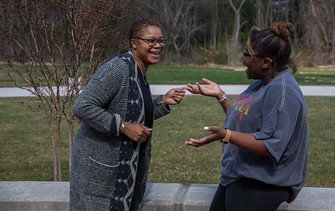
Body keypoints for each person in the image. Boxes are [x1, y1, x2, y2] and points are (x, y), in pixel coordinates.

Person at [185, 22, 308, 211]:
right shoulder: (262, 83)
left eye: (247, 55)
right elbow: (245, 118)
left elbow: (270, 145)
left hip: (264, 184)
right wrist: (220, 95)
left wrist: (226, 135)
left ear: (266, 63)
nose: (243, 59)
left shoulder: (282, 93)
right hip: (241, 175)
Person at [70, 18, 185, 211]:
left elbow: (133, 113)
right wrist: (122, 127)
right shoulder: (118, 69)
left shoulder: (138, 70)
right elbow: (82, 106)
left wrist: (162, 102)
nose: (157, 46)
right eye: (151, 41)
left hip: (120, 175)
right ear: (134, 43)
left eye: (161, 40)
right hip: (99, 176)